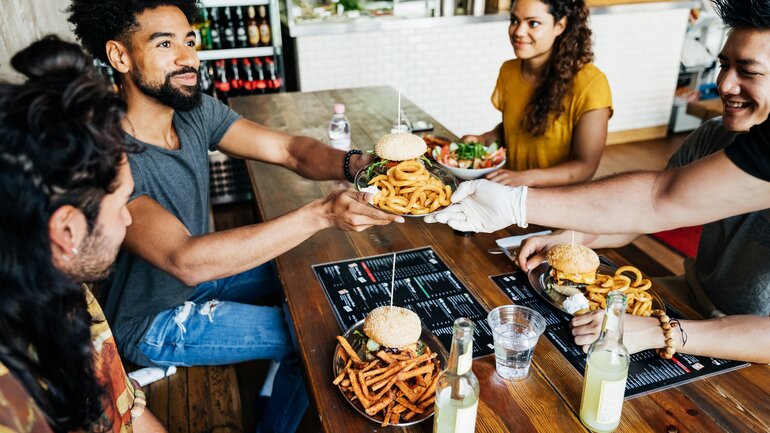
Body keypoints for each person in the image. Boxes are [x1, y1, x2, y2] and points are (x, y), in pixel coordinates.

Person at [66, 1, 402, 431]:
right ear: (119, 56)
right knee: (314, 338)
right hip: (152, 318)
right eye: (165, 43)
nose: (188, 57)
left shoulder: (194, 111)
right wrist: (320, 213)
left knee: (318, 270)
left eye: (190, 40)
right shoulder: (109, 155)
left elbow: (288, 150)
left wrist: (361, 164)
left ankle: (271, 386)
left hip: (205, 279)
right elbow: (184, 260)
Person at [425, 0, 770, 363]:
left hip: (745, 339)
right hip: (687, 296)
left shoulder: (590, 83)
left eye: (748, 71)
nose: (724, 84)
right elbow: (649, 205)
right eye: (723, 66)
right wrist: (568, 238)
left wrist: (659, 332)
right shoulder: (713, 136)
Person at [0, 36, 165, 433]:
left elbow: (126, 410)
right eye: (122, 202)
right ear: (67, 229)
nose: (127, 221)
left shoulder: (66, 286)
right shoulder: (11, 402)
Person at [461, 0, 612, 187]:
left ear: (560, 25)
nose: (518, 31)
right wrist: (484, 139)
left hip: (559, 201)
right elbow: (513, 128)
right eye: (514, 20)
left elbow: (585, 166)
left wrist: (525, 177)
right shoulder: (508, 71)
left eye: (533, 23)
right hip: (511, 193)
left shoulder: (592, 83)